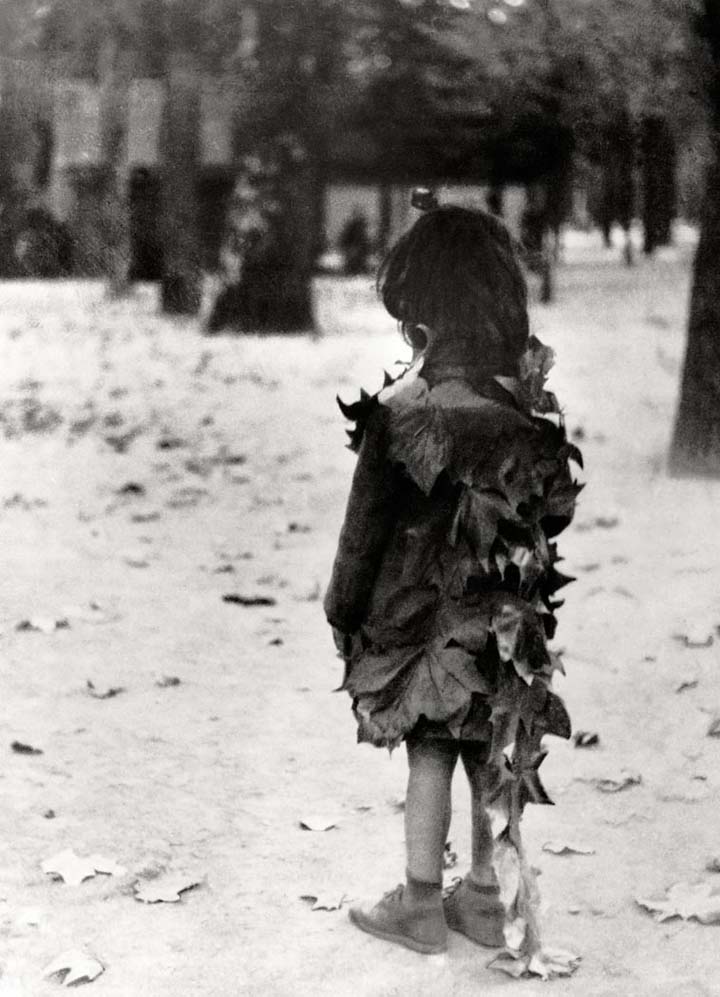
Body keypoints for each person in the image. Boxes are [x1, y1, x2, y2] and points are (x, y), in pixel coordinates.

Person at [324, 196, 583, 960]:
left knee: (429, 750)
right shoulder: (530, 420)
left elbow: (362, 532)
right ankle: (479, 891)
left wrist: (342, 608)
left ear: (418, 311)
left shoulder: (401, 415)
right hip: (500, 622)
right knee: (485, 749)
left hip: (418, 625)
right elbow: (546, 526)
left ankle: (418, 900)